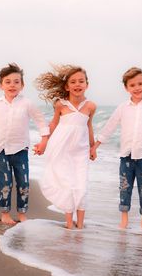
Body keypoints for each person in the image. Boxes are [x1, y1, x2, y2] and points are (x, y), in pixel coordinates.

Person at [0, 63, 49, 225]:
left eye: (16, 81)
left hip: (21, 150)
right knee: (5, 183)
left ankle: (21, 213)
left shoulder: (27, 103)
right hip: (2, 150)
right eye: (8, 82)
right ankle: (5, 214)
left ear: (22, 85)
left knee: (23, 183)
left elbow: (41, 121)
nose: (12, 85)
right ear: (1, 85)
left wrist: (44, 141)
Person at [90, 67, 142, 229]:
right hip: (126, 155)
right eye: (132, 85)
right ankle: (124, 219)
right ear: (126, 88)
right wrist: (95, 146)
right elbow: (110, 126)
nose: (137, 88)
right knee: (125, 187)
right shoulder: (122, 107)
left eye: (140, 83)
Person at [36, 64, 96, 229]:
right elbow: (54, 124)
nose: (77, 84)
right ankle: (70, 223)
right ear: (67, 86)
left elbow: (89, 126)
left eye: (81, 81)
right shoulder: (60, 104)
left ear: (87, 84)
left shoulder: (91, 106)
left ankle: (81, 224)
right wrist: (44, 142)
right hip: (61, 149)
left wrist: (93, 147)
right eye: (73, 82)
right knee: (67, 184)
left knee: (82, 186)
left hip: (81, 151)